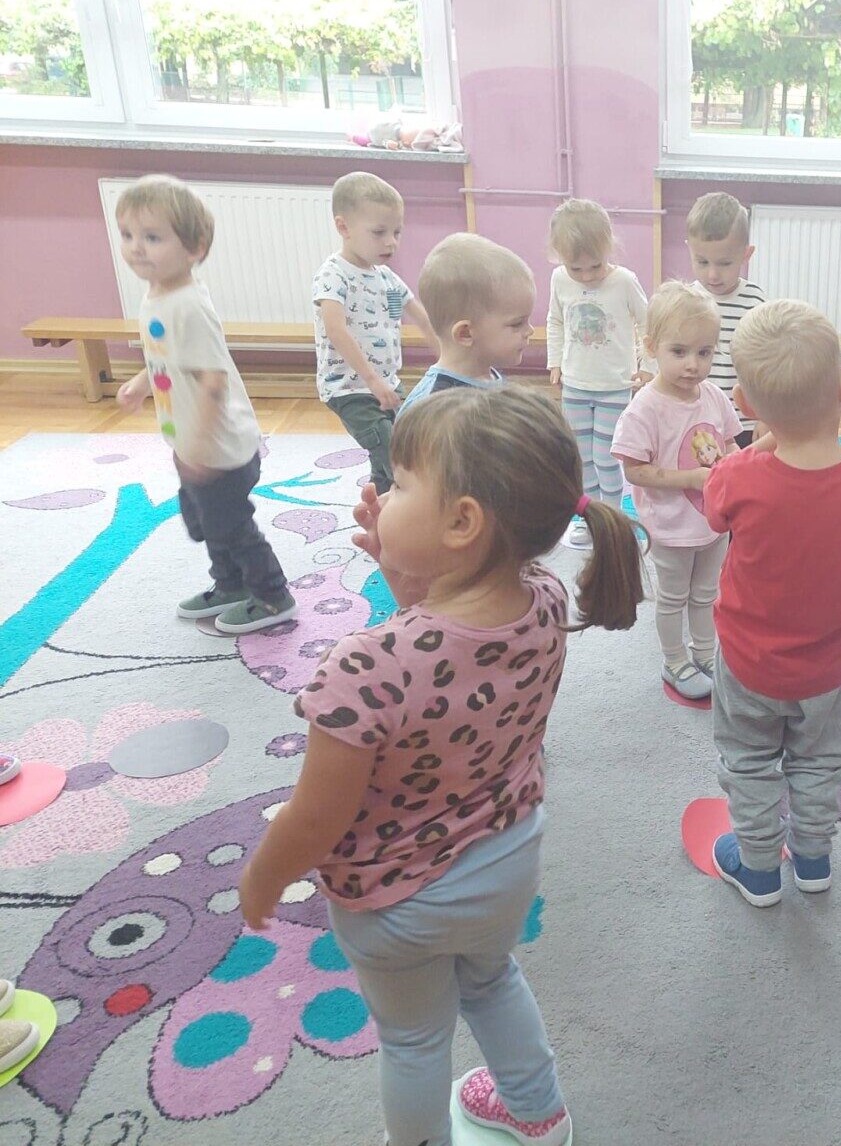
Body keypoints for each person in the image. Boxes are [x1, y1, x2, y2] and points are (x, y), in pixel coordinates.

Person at [239, 384, 645, 1146]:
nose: (381, 495)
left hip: (397, 901)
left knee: (414, 1039)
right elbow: (447, 667)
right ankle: (540, 1112)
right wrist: (405, 574)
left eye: (398, 484)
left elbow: (317, 819)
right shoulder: (545, 598)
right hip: (505, 863)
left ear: (462, 523)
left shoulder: (361, 668)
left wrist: (263, 874)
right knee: (492, 981)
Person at [705, 300, 841, 906]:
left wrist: (756, 447)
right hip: (827, 666)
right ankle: (812, 859)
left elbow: (713, 514)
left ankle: (757, 868)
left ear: (745, 405)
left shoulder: (738, 475)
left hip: (747, 663)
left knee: (749, 761)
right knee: (818, 760)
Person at [114, 175, 295, 635]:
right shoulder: (159, 295)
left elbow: (213, 381)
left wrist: (200, 445)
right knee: (208, 523)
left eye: (152, 237)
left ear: (194, 248)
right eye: (128, 235)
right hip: (192, 444)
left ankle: (273, 595)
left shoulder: (188, 306)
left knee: (231, 526)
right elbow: (167, 356)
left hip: (217, 449)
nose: (136, 248)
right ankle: (231, 585)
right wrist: (141, 382)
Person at [611, 282, 742, 702]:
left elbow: (730, 444)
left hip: (713, 522)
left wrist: (736, 467)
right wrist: (690, 479)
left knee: (707, 594)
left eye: (704, 352)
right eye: (680, 351)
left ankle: (704, 653)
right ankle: (674, 661)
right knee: (672, 599)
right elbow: (634, 471)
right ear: (652, 347)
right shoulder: (644, 409)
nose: (693, 365)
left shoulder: (714, 396)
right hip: (669, 528)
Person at [312, 172, 440, 493]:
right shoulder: (334, 275)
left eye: (396, 232)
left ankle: (379, 504)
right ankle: (407, 509)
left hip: (388, 384)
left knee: (407, 443)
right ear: (344, 228)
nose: (391, 242)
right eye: (379, 232)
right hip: (350, 390)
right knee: (397, 457)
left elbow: (422, 318)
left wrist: (447, 357)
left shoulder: (387, 278)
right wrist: (371, 380)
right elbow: (336, 330)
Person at [545, 198, 650, 550]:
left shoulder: (624, 281)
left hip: (614, 385)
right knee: (583, 458)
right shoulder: (560, 279)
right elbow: (555, 321)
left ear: (609, 248)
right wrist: (555, 361)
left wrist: (647, 366)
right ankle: (590, 518)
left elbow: (648, 323)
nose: (587, 276)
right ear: (559, 257)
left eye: (595, 266)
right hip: (575, 384)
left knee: (607, 457)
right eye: (577, 268)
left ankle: (613, 518)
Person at [397, 234, 535, 416]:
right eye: (517, 323)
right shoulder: (434, 409)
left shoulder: (491, 378)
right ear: (465, 333)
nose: (530, 331)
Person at [685, 191, 766, 447]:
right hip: (696, 419)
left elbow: (764, 366)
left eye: (724, 263)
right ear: (689, 249)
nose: (712, 274)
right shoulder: (686, 301)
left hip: (745, 422)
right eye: (702, 261)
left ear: (746, 255)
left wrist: (765, 416)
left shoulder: (755, 302)